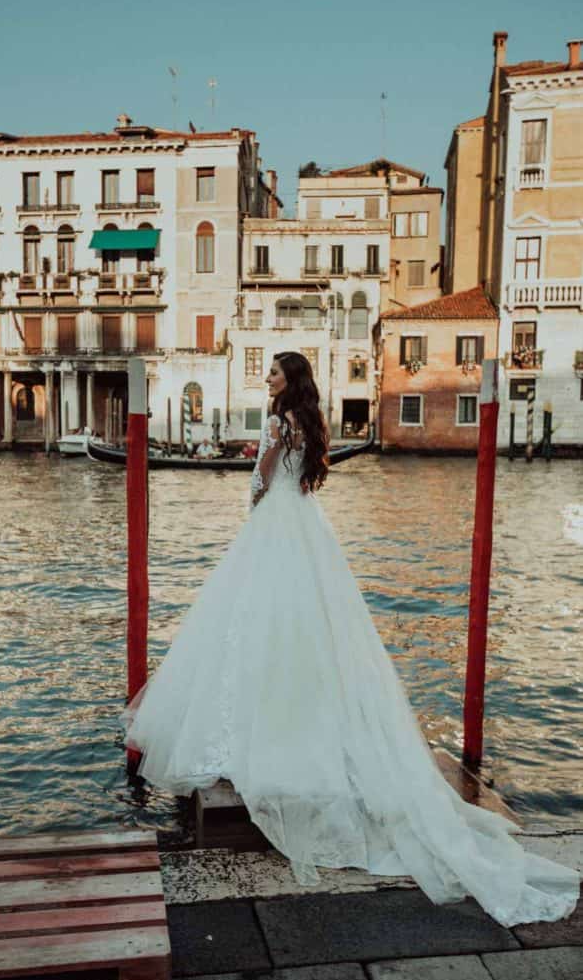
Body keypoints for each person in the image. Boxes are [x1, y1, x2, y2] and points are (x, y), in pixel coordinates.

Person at [119, 350, 579, 927]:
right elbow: (305, 475)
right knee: (310, 625)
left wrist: (255, 503)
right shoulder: (312, 424)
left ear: (291, 383)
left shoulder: (277, 422)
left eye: (274, 374)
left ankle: (258, 724)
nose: (266, 379)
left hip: (275, 522)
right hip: (307, 523)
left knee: (254, 622)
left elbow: (261, 477)